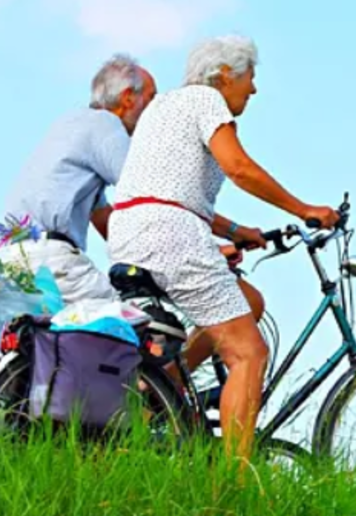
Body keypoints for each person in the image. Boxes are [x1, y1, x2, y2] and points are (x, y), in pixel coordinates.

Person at [106, 34, 339, 460]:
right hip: (170, 235)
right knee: (248, 353)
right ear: (226, 74)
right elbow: (239, 168)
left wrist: (234, 232)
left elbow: (167, 190)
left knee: (248, 301)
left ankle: (164, 388)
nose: (254, 88)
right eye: (250, 77)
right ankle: (233, 481)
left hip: (133, 233)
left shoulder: (162, 107)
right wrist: (305, 209)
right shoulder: (206, 99)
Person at [0, 54, 157, 308]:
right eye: (151, 99)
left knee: (59, 332)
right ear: (128, 97)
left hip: (14, 260)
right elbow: (151, 191)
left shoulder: (71, 124)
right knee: (133, 322)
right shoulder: (105, 124)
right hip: (51, 258)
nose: (154, 110)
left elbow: (103, 218)